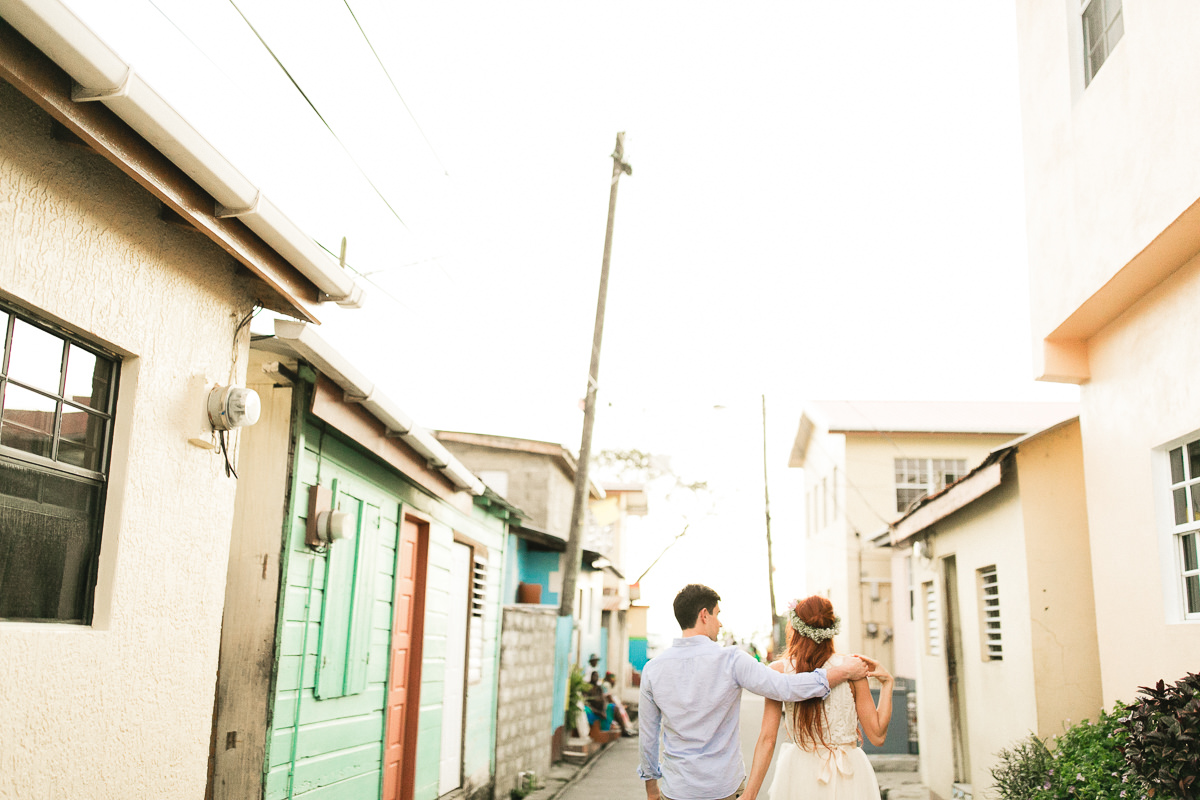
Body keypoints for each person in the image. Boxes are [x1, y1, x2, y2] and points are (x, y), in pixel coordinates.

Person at [638, 584, 872, 800]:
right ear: (704, 615)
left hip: (677, 788)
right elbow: (785, 687)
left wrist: (651, 790)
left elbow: (648, 736)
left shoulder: (652, 670)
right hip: (723, 788)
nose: (720, 623)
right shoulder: (731, 660)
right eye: (717, 614)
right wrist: (841, 673)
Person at [741, 595, 894, 800]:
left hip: (799, 774)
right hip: (849, 775)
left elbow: (768, 739)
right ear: (832, 630)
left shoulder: (780, 670)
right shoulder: (853, 669)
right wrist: (887, 684)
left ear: (794, 629)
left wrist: (749, 794)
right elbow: (877, 736)